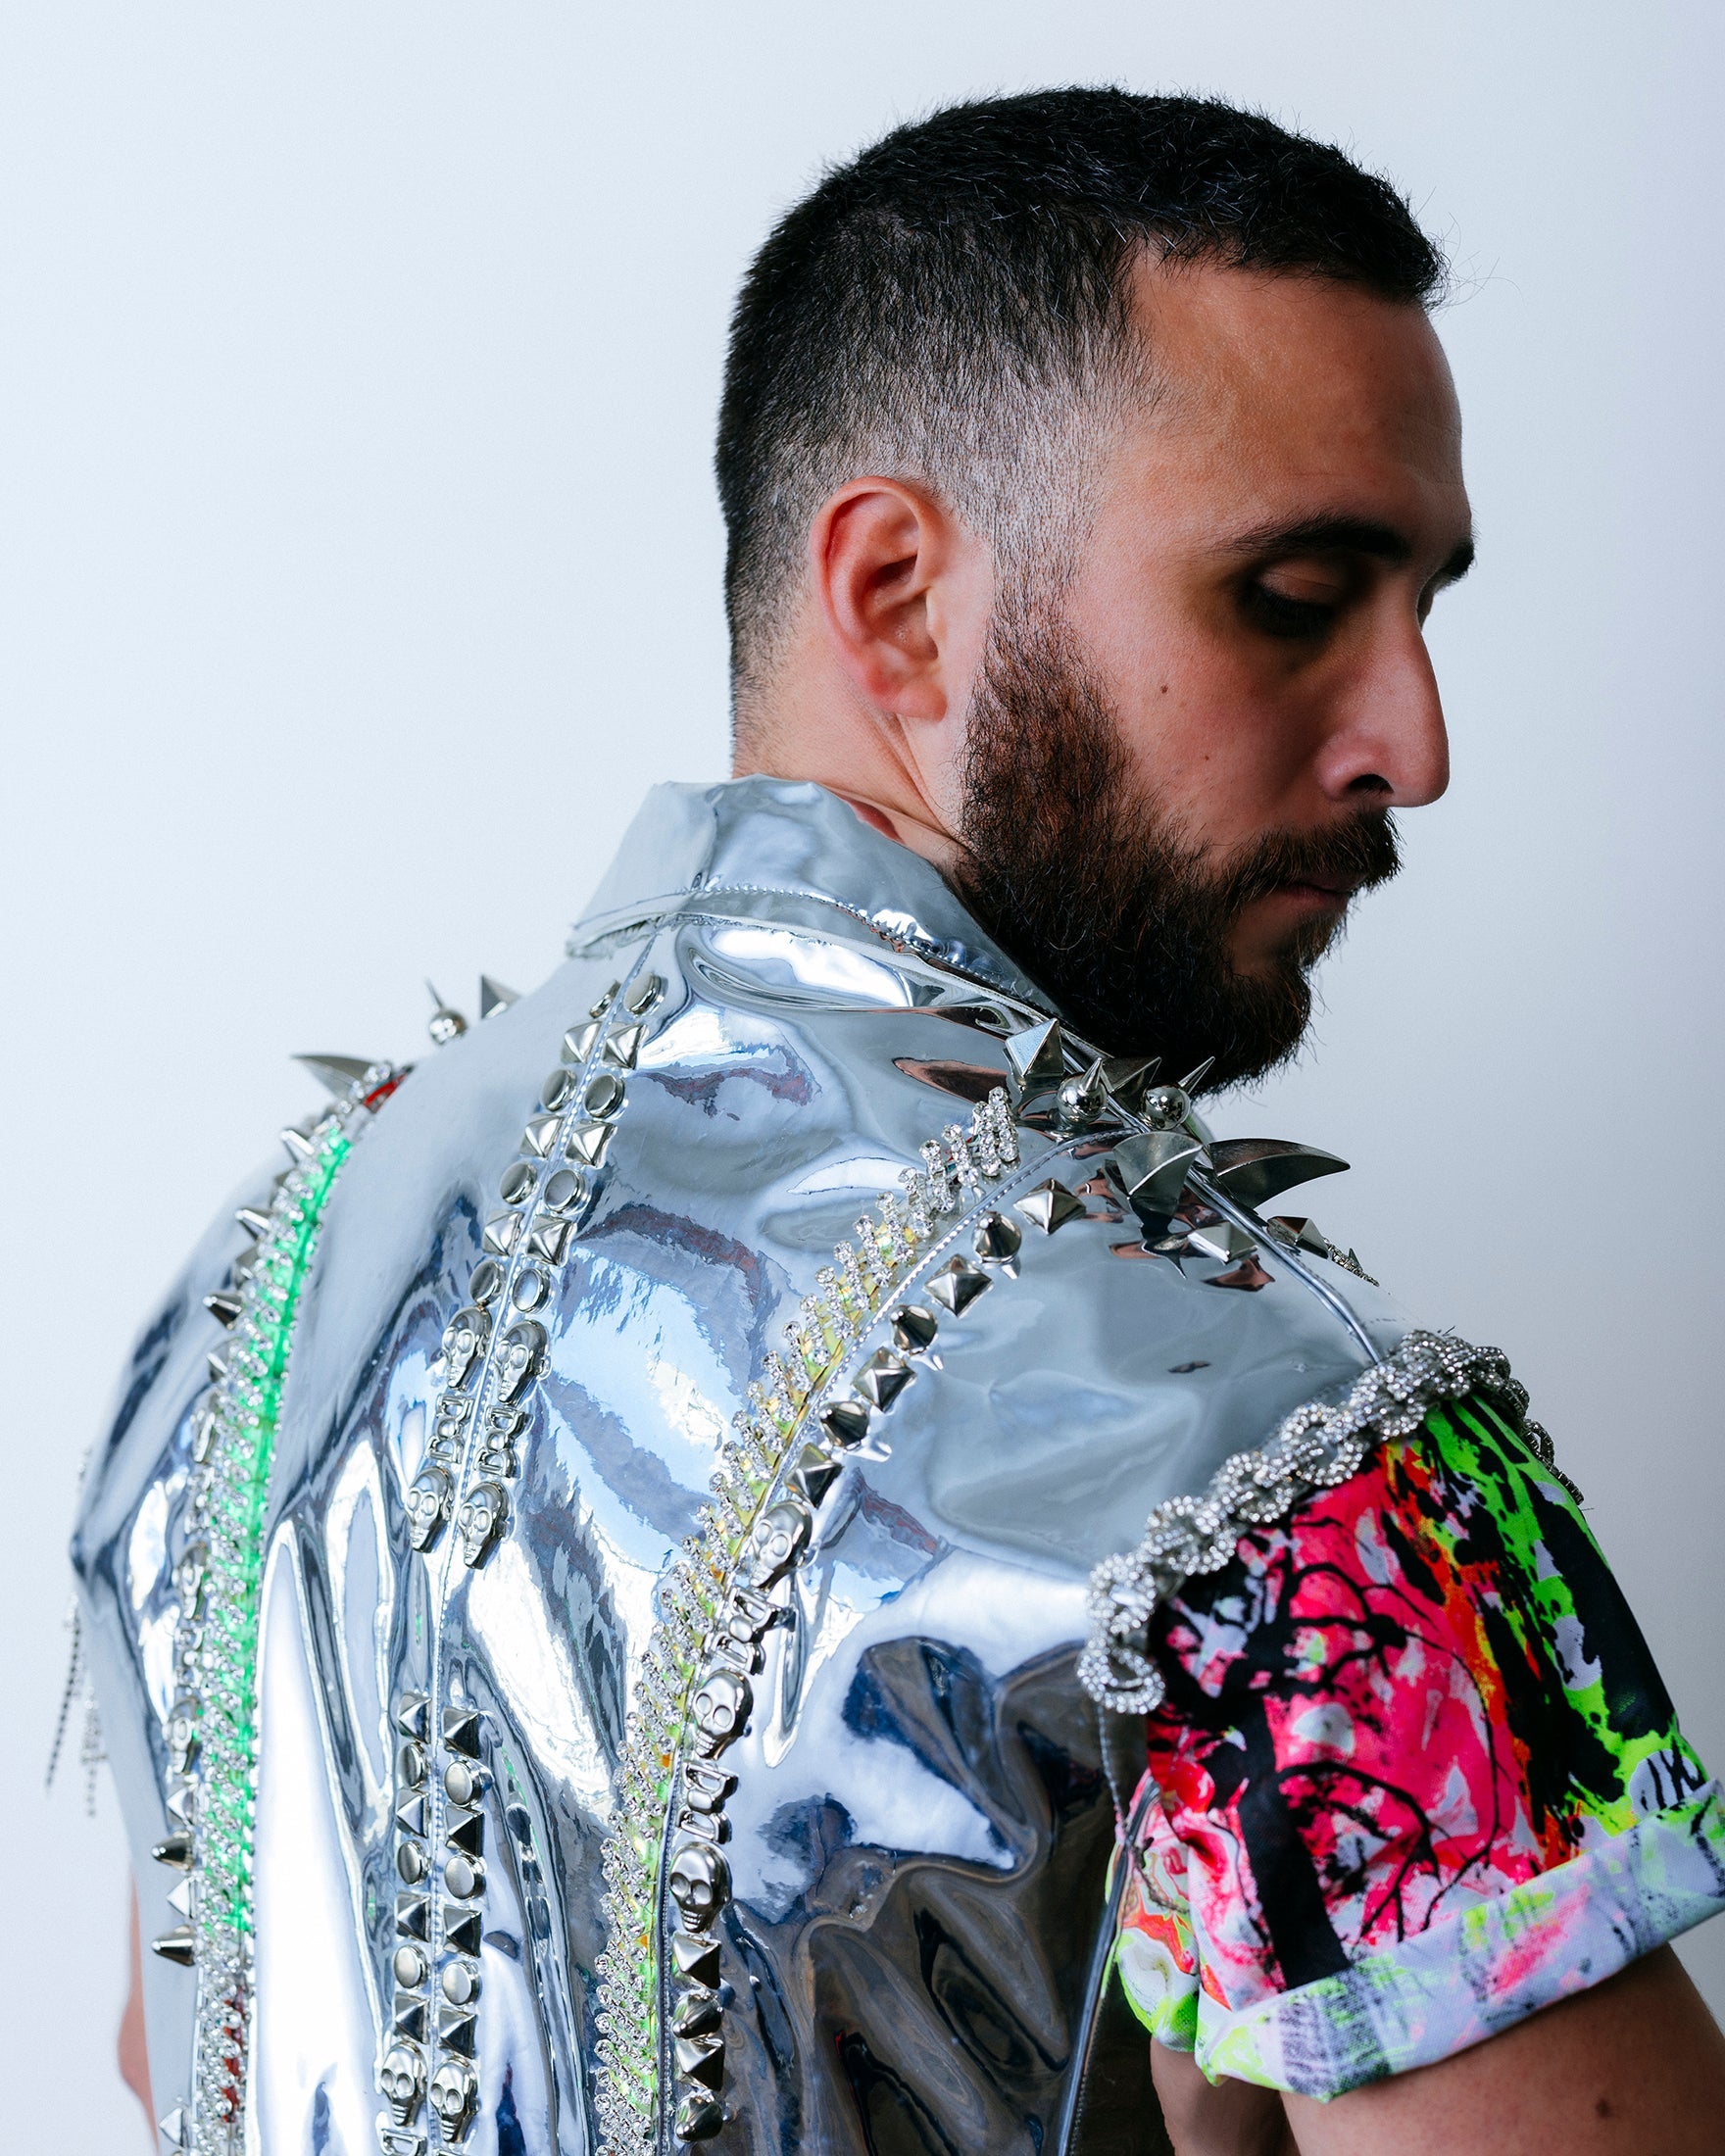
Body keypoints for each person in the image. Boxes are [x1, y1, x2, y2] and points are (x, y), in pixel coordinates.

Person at [70, 86, 1725, 2156]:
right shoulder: (1288, 1458)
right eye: (1298, 595)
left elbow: (172, 2052)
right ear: (898, 596)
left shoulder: (255, 1293)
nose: (1416, 739)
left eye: (1426, 609)